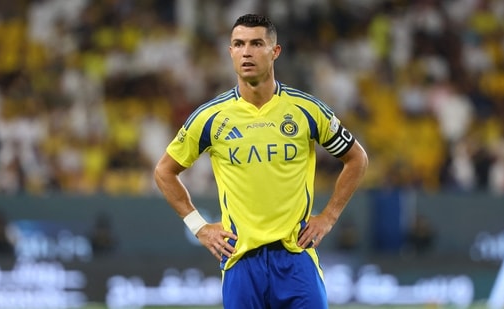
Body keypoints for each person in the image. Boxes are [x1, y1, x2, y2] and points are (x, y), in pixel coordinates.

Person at [154, 13, 368, 309]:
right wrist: (199, 227)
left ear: (275, 51)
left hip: (296, 257)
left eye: (256, 44)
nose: (246, 52)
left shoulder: (306, 110)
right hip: (242, 261)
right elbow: (165, 171)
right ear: (230, 52)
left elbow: (356, 158)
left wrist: (328, 217)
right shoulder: (210, 117)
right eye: (238, 44)